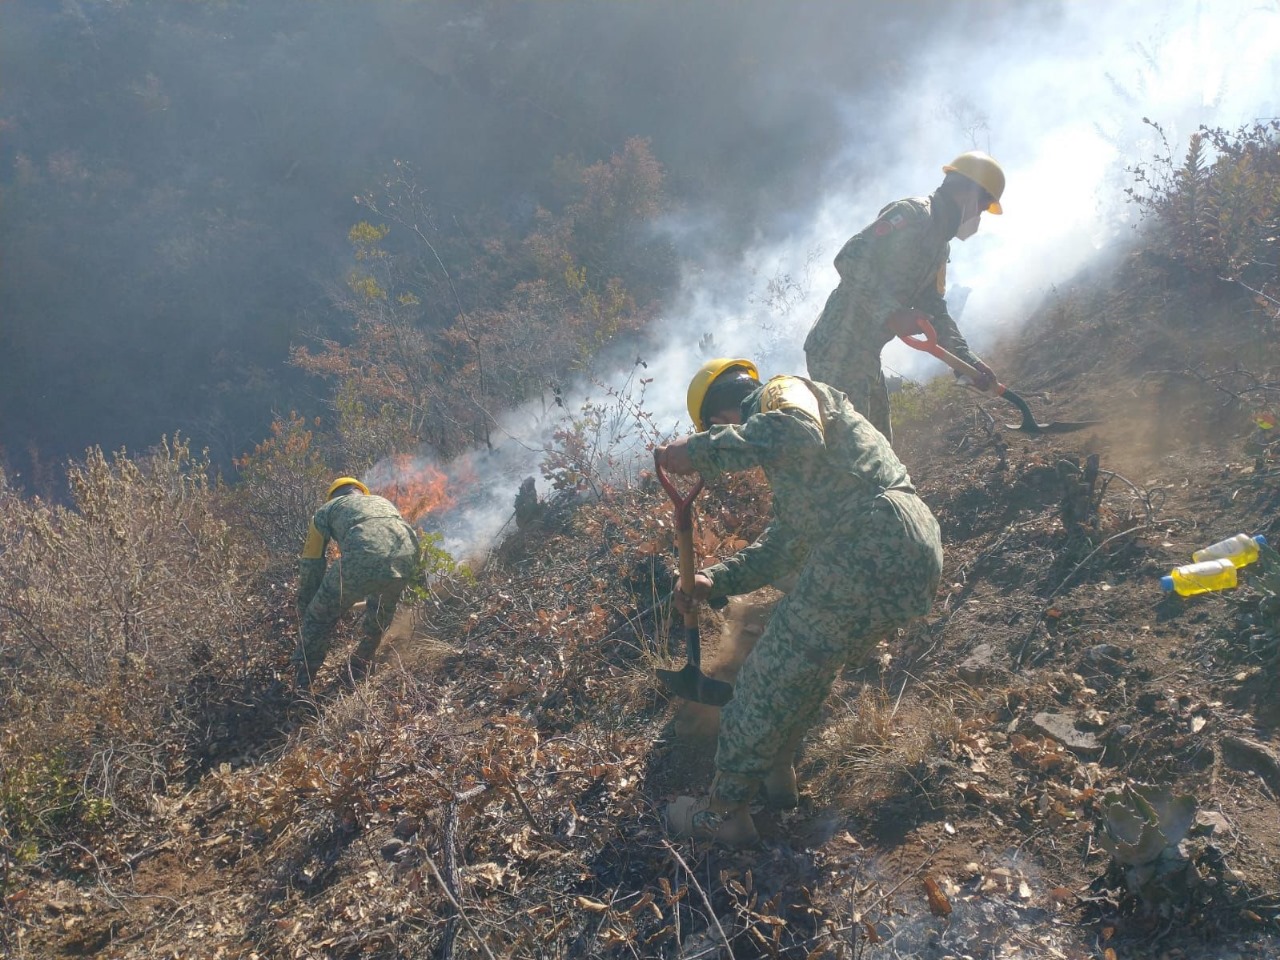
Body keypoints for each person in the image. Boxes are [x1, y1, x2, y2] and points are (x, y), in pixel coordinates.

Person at [657, 359, 943, 847]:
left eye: (716, 431)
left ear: (723, 417)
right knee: (806, 667)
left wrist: (699, 450)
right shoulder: (801, 469)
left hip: (868, 538)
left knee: (764, 679)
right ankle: (776, 774)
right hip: (905, 554)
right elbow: (786, 543)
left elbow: (796, 430)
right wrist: (713, 579)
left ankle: (722, 813)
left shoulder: (782, 393)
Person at [803, 151, 1006, 442]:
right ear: (965, 192)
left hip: (865, 355)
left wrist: (968, 362)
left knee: (881, 450)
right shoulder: (910, 216)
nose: (979, 217)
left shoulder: (940, 248)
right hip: (835, 350)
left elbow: (934, 310)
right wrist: (892, 312)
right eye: (983, 207)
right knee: (858, 454)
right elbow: (849, 257)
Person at [294, 477, 420, 688]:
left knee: (317, 620)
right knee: (380, 610)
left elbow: (311, 563)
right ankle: (361, 663)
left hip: (360, 560)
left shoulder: (326, 510)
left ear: (333, 496)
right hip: (406, 558)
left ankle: (301, 685)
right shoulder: (383, 502)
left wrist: (307, 605)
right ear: (361, 492)